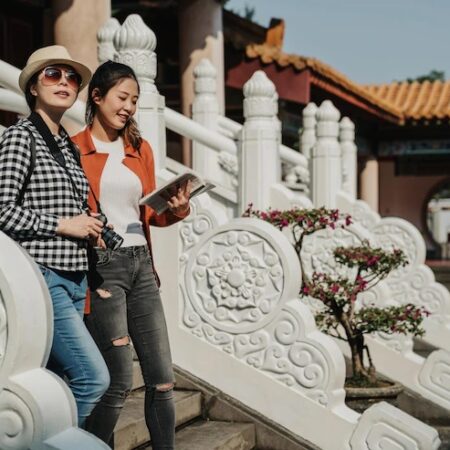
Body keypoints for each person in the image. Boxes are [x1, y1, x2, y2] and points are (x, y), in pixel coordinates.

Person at [72, 60, 191, 449]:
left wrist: (177, 207)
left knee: (162, 378)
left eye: (135, 100)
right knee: (118, 381)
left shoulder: (140, 150)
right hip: (104, 271)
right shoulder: (74, 149)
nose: (129, 107)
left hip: (143, 266)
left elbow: (149, 214)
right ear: (97, 96)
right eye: (123, 97)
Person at [0, 45, 110, 427]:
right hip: (42, 277)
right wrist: (63, 225)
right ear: (33, 86)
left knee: (55, 381)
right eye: (52, 74)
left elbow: (66, 206)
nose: (64, 82)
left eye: (72, 77)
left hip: (75, 278)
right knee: (93, 378)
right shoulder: (20, 137)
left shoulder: (67, 145)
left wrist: (91, 225)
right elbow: (2, 209)